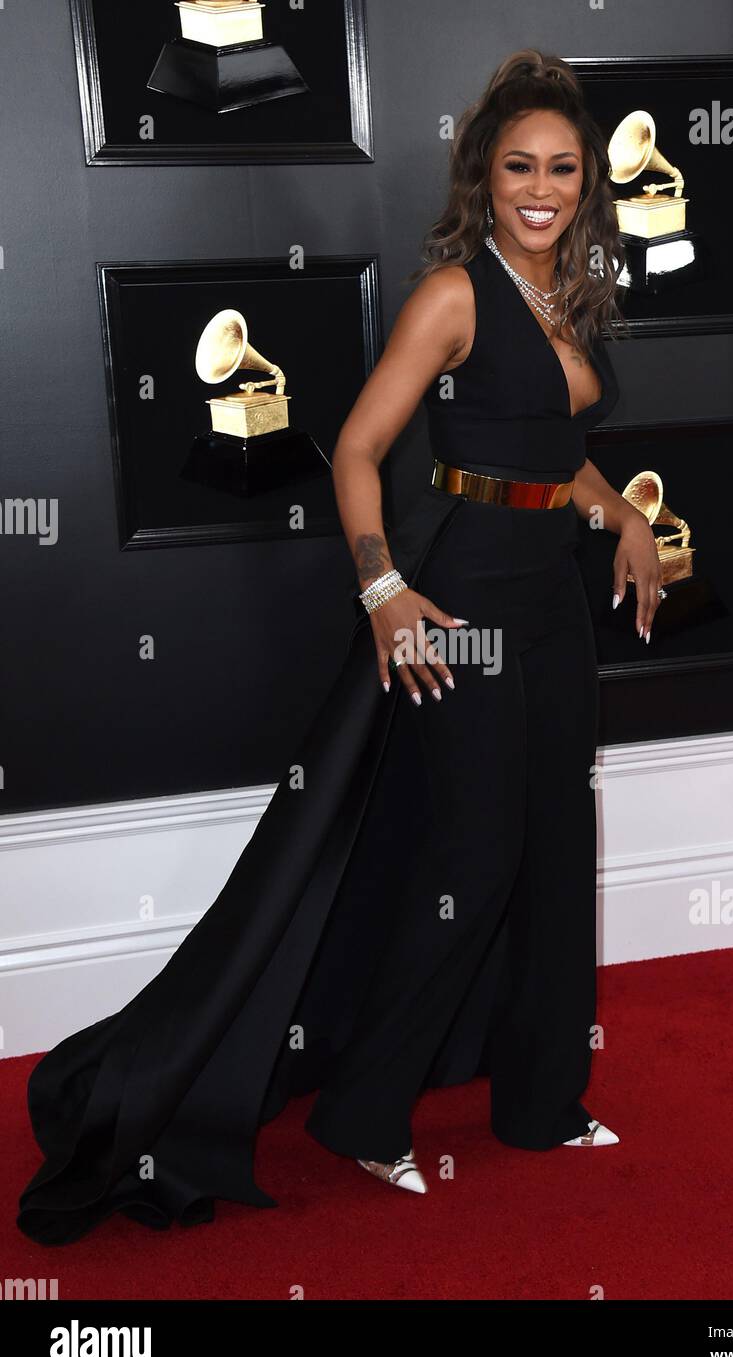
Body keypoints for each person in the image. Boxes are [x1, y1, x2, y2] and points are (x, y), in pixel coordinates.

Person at [16, 49, 662, 1244]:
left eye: (563, 168)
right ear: (485, 173)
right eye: (518, 165)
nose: (542, 187)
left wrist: (617, 512)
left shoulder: (574, 292)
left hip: (553, 599)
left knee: (558, 845)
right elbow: (360, 450)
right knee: (473, 856)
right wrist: (383, 590)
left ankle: (542, 1104)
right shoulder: (453, 295)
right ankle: (366, 1112)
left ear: (587, 184)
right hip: (462, 599)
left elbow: (547, 449)